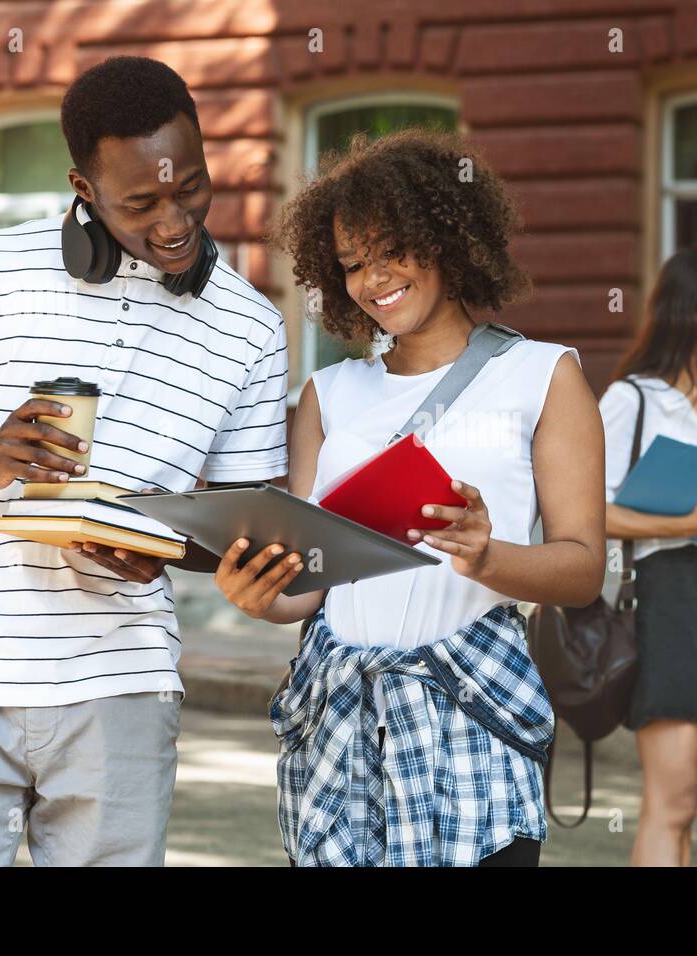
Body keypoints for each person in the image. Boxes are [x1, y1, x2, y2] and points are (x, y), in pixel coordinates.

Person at [0, 56, 289, 866]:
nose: (174, 222)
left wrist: (155, 551)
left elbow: (238, 528)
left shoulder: (254, 329)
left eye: (192, 187)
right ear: (83, 189)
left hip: (122, 688)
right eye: (142, 203)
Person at [212, 128, 606, 866]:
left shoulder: (544, 376)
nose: (374, 279)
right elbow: (308, 587)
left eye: (392, 250)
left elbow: (583, 569)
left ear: (448, 241)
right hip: (341, 732)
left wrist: (487, 557)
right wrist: (260, 595)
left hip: (472, 729)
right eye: (354, 263)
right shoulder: (326, 396)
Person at [599, 247, 697, 867]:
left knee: (688, 803)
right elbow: (587, 511)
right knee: (668, 803)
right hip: (663, 602)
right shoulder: (631, 399)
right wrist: (686, 521)